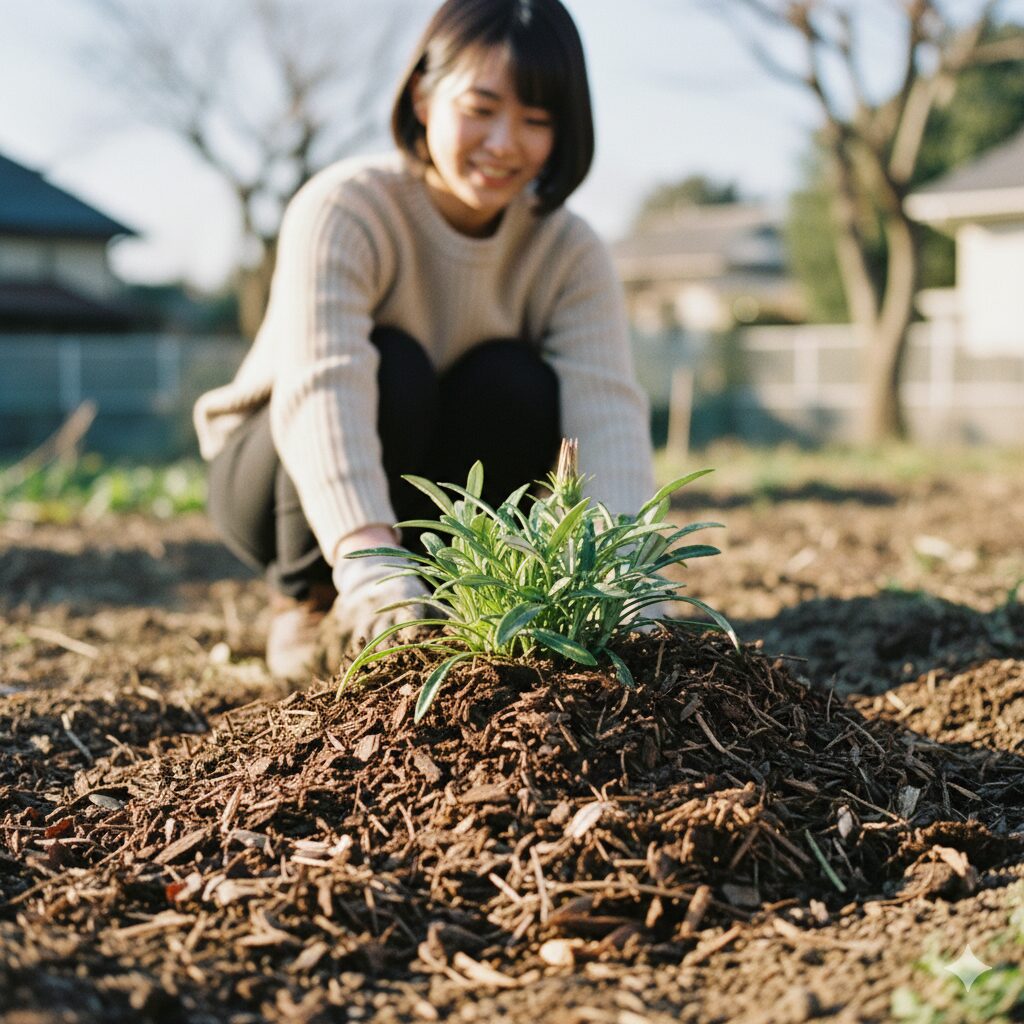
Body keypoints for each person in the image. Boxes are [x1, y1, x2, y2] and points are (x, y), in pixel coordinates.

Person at [193, 0, 657, 681]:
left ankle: (443, 595)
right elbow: (323, 388)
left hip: (424, 484)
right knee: (393, 366)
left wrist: (621, 582)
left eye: (536, 121)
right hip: (274, 479)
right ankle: (307, 602)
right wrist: (370, 564)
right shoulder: (347, 207)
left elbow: (606, 410)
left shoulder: (569, 250)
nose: (504, 143)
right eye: (481, 108)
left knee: (516, 381)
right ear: (422, 94)